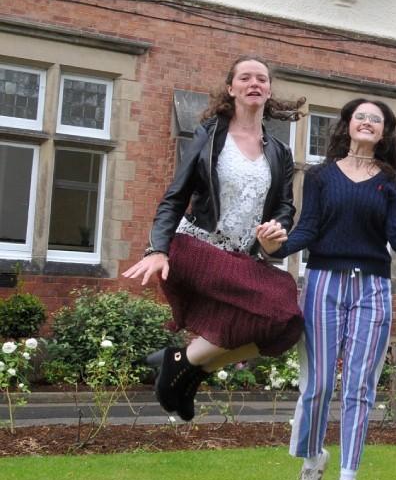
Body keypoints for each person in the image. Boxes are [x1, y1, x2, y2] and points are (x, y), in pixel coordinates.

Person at [257, 98, 396, 480]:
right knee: (319, 384)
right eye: (360, 116)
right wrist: (273, 248)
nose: (366, 122)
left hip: (373, 289)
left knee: (360, 389)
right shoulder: (321, 176)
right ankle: (312, 460)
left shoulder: (390, 181)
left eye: (375, 119)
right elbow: (306, 230)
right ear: (347, 126)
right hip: (324, 283)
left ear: (384, 132)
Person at [125, 57, 305, 421]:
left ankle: (189, 368)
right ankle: (183, 363)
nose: (254, 83)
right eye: (245, 78)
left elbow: (285, 206)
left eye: (262, 78)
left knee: (290, 325)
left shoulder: (279, 151)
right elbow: (175, 195)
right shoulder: (210, 136)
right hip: (196, 247)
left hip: (239, 258)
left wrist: (276, 231)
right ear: (231, 88)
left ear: (268, 90)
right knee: (282, 300)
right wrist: (157, 249)